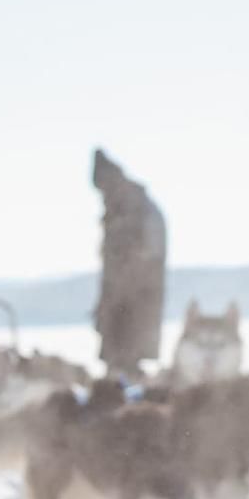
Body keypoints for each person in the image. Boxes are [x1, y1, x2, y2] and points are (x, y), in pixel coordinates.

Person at [91, 148, 167, 376]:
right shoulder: (121, 207)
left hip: (133, 301)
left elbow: (147, 257)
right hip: (120, 299)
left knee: (127, 359)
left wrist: (120, 295)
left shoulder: (138, 208)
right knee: (119, 361)